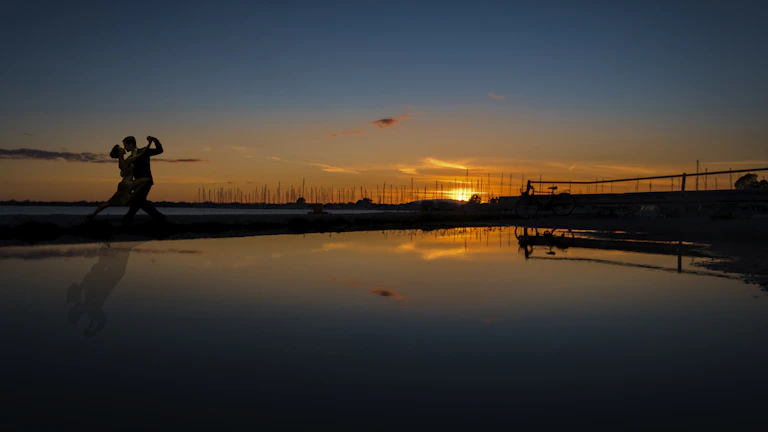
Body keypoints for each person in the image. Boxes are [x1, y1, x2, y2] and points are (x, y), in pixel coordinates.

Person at [86, 144, 152, 219]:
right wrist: (149, 144)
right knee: (148, 180)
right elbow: (139, 155)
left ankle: (92, 215)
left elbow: (125, 170)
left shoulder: (123, 161)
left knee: (110, 202)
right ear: (119, 152)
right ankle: (132, 199)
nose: (123, 148)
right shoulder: (126, 161)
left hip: (125, 184)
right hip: (127, 184)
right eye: (121, 149)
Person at [121, 135, 166, 224]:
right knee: (138, 201)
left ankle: (159, 218)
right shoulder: (130, 159)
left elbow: (159, 150)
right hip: (138, 183)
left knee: (138, 200)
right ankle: (127, 219)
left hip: (146, 181)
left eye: (125, 145)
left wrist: (155, 140)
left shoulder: (143, 151)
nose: (124, 148)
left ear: (131, 144)